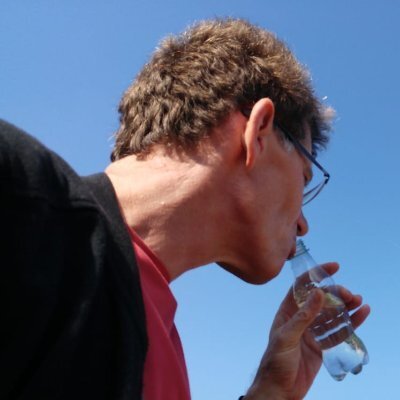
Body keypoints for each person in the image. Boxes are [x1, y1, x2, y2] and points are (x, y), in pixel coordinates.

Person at [0, 18, 369, 400]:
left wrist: (268, 392)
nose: (303, 224)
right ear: (258, 133)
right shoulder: (18, 200)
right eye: (304, 178)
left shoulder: (162, 338)